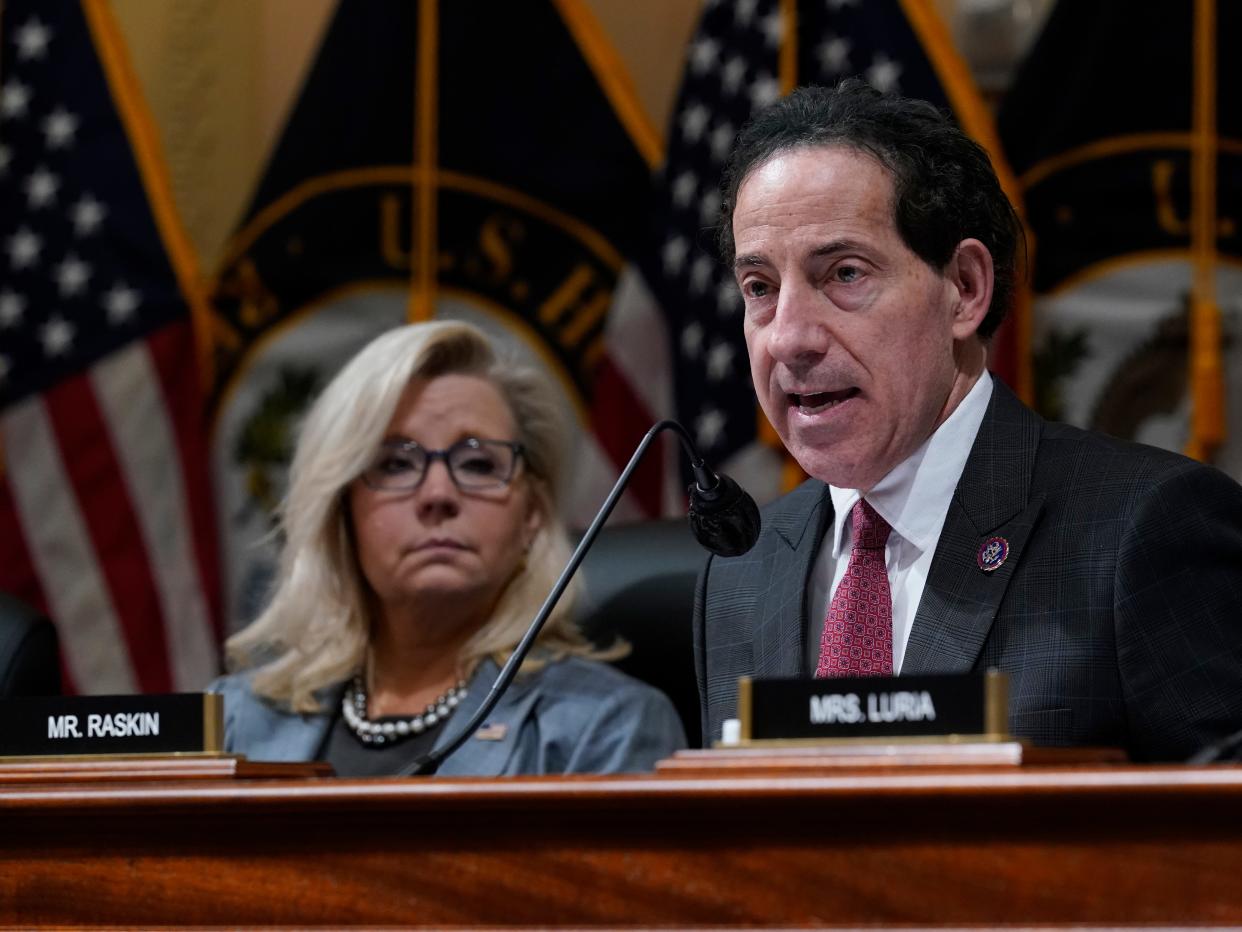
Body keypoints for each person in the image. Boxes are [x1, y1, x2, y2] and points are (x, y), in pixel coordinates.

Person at [694, 79, 1242, 763]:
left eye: (844, 275)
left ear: (966, 289)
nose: (789, 338)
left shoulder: (1143, 530)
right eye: (760, 289)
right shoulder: (742, 573)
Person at [213, 321, 685, 776]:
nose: (438, 494)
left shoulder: (605, 728)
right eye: (396, 463)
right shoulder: (232, 724)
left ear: (532, 517)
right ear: (342, 512)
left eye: (478, 463)